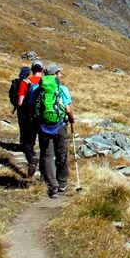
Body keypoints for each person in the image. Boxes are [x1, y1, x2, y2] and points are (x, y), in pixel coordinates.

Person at [33, 64, 75, 199]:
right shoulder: (62, 89)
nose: (61, 75)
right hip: (60, 124)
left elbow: (31, 106)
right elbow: (68, 109)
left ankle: (52, 186)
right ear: (56, 74)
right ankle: (62, 183)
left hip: (43, 125)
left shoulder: (37, 89)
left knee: (47, 155)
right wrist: (72, 120)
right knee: (62, 153)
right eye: (60, 73)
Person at [15, 61, 45, 178]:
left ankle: (31, 157)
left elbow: (20, 102)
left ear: (32, 70)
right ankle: (44, 174)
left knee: (28, 142)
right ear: (42, 69)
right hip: (43, 118)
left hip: (30, 117)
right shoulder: (47, 82)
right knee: (45, 146)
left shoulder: (25, 82)